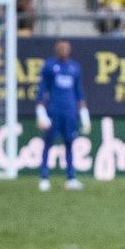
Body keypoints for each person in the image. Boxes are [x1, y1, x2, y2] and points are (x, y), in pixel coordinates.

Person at [36, 39, 91, 191]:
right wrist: (41, 113)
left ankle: (71, 178)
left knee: (69, 144)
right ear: (56, 49)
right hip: (53, 111)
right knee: (48, 143)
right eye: (60, 47)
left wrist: (84, 116)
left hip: (70, 112)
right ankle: (44, 178)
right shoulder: (49, 66)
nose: (63, 50)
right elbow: (42, 90)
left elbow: (79, 92)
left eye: (65, 47)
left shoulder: (75, 68)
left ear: (70, 49)